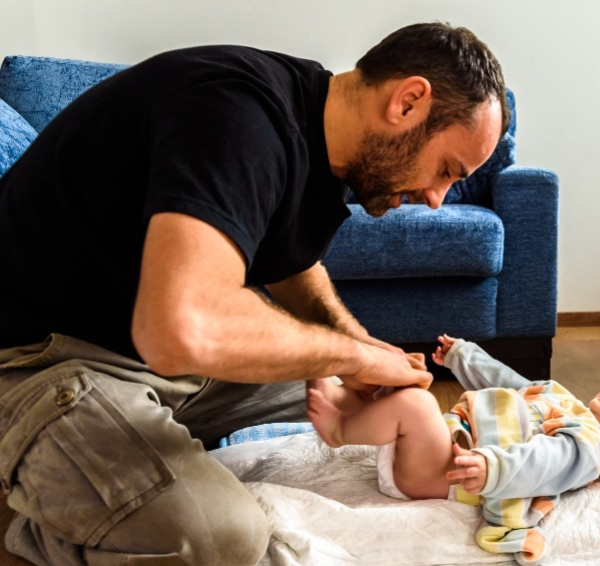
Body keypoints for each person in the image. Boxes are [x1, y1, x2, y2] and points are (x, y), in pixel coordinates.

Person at [0, 22, 509, 566]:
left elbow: (289, 260)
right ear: (408, 101)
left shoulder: (320, 136)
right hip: (43, 360)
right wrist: (352, 355)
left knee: (368, 404)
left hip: (164, 360)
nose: (437, 198)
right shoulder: (236, 116)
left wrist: (358, 346)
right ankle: (48, 524)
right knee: (225, 540)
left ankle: (132, 467)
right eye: (446, 170)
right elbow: (180, 328)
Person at [306, 334, 600, 565]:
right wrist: (464, 357)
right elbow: (512, 386)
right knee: (412, 375)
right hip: (447, 446)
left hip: (442, 476)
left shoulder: (588, 448)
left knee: (417, 406)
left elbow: (541, 462)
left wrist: (492, 468)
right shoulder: (566, 405)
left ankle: (340, 430)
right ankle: (346, 400)